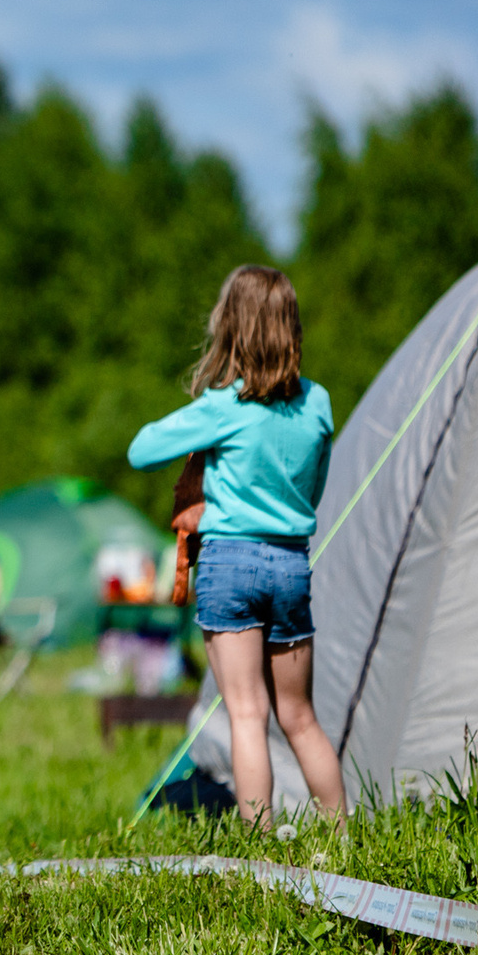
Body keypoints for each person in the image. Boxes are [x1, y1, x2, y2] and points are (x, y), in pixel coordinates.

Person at [129, 264, 343, 828]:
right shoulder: (317, 403)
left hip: (230, 565)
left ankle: (260, 845)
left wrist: (205, 418)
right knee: (299, 716)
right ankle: (346, 839)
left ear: (231, 329)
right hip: (291, 563)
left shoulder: (224, 408)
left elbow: (141, 449)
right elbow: (314, 490)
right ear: (291, 328)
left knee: (247, 714)